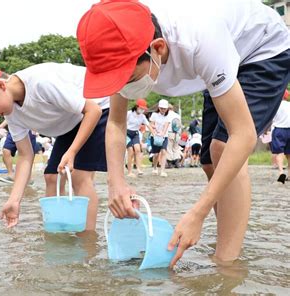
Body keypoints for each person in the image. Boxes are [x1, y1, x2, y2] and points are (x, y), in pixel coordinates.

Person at [76, 0, 289, 267]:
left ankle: (227, 267)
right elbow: (116, 123)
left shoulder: (199, 40)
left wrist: (197, 213)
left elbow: (243, 134)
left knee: (223, 149)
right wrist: (116, 184)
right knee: (210, 162)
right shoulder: (119, 50)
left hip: (261, 48)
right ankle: (228, 238)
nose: (122, 89)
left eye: (127, 79)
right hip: (220, 56)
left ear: (158, 48)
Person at [0, 60, 109, 231]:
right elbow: (25, 155)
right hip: (69, 121)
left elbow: (93, 110)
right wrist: (14, 200)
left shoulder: (42, 83)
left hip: (97, 107)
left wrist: (72, 152)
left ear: (0, 85)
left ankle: (87, 241)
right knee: (52, 177)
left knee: (79, 176)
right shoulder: (11, 112)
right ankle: (58, 234)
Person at [126, 98, 154, 176]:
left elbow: (148, 125)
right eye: (141, 108)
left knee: (138, 150)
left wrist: (154, 134)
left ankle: (139, 169)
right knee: (130, 151)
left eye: (143, 109)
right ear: (136, 107)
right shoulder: (129, 113)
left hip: (135, 133)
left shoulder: (142, 116)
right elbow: (122, 123)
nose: (142, 110)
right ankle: (129, 171)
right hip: (127, 133)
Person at [271, 89, 290, 184]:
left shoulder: (275, 106)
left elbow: (270, 119)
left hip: (279, 130)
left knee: (279, 152)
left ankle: (281, 172)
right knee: (289, 154)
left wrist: (265, 130)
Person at [150, 99, 170, 177]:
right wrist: (154, 130)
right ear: (159, 108)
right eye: (161, 108)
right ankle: (155, 167)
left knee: (164, 152)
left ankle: (162, 171)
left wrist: (162, 133)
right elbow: (151, 124)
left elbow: (166, 126)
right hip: (154, 136)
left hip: (164, 137)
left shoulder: (168, 116)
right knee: (156, 154)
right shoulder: (154, 115)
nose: (163, 110)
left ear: (167, 109)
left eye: (164, 108)